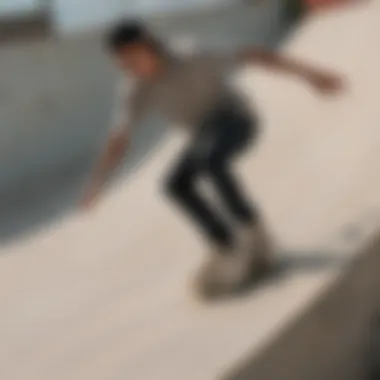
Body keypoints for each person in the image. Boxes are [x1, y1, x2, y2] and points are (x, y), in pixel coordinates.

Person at [81, 21, 343, 298]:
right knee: (174, 185)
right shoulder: (134, 90)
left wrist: (312, 75)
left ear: (149, 45)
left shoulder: (192, 55)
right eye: (125, 65)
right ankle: (226, 246)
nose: (133, 70)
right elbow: (120, 137)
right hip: (203, 135)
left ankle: (256, 236)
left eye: (134, 60)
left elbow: (253, 55)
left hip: (237, 119)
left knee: (209, 161)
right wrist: (98, 181)